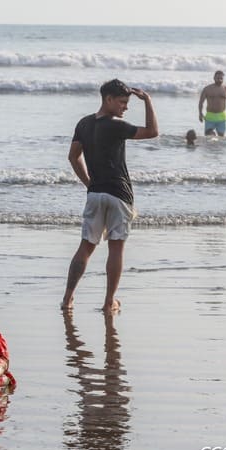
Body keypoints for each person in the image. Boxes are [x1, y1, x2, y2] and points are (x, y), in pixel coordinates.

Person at [61, 79, 159, 311]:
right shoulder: (116, 125)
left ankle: (67, 299)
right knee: (116, 248)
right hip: (118, 193)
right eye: (122, 102)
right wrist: (148, 101)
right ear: (108, 99)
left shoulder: (84, 124)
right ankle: (108, 302)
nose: (126, 107)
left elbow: (73, 157)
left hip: (95, 193)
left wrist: (89, 183)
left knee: (85, 247)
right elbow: (152, 132)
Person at [198, 70, 226, 137]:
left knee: (221, 139)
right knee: (209, 137)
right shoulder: (207, 89)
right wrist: (200, 113)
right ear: (214, 78)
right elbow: (201, 102)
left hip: (222, 117)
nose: (220, 80)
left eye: (221, 78)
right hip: (210, 117)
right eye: (218, 78)